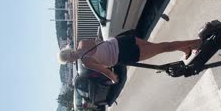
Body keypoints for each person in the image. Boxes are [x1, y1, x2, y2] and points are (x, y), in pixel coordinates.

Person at [58, 34, 201, 83]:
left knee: (162, 48)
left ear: (69, 60)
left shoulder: (85, 61)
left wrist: (113, 77)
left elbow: (105, 71)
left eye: (68, 62)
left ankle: (195, 43)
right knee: (159, 46)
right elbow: (98, 40)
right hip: (121, 41)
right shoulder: (82, 43)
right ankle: (185, 48)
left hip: (124, 54)